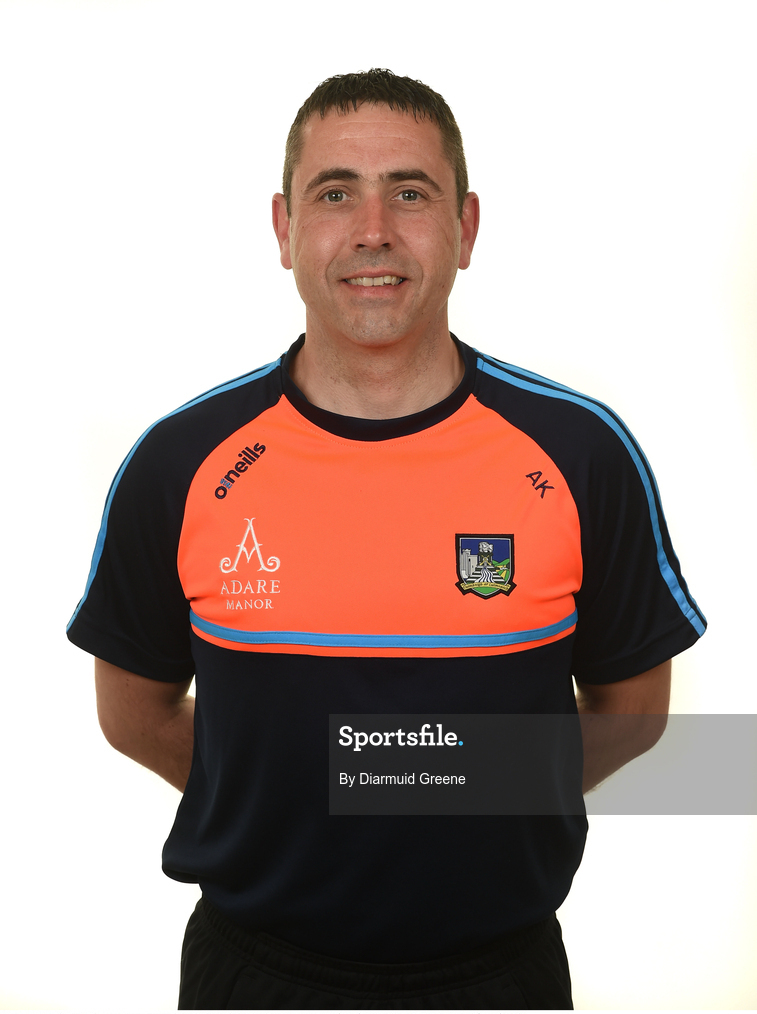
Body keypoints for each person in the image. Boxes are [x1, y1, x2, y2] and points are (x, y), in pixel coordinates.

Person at [67, 68, 706, 1010]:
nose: (373, 230)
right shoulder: (181, 461)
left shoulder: (579, 453)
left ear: (466, 228)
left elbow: (634, 711)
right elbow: (133, 715)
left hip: (501, 975)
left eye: (410, 193)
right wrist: (287, 798)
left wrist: (423, 779)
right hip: (255, 973)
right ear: (284, 229)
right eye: (335, 194)